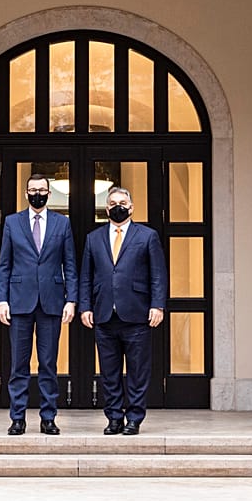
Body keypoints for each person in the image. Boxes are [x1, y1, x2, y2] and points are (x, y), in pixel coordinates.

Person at [78, 187, 168, 436]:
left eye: (123, 203)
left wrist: (157, 305)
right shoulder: (93, 238)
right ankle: (114, 417)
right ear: (106, 209)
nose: (118, 207)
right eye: (113, 203)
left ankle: (134, 418)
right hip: (104, 315)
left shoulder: (147, 236)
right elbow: (86, 276)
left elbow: (158, 274)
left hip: (137, 315)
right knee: (109, 372)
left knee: (138, 371)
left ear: (131, 207)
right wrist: (85, 306)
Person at [0, 173, 78, 435]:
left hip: (51, 302)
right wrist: (2, 300)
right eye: (33, 190)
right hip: (19, 302)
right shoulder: (12, 222)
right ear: (26, 193)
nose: (37, 194)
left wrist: (71, 300)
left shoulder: (62, 223)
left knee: (48, 364)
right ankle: (17, 418)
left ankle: (48, 418)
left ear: (49, 194)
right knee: (19, 365)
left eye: (42, 190)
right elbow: (4, 265)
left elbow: (70, 265)